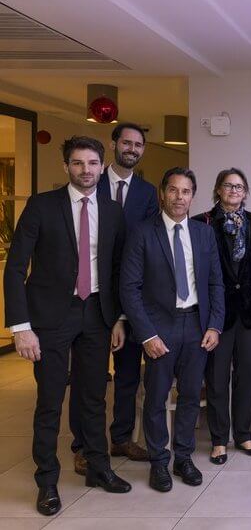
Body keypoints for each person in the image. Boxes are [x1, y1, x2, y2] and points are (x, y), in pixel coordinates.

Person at [4, 136, 130, 516]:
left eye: (92, 163)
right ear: (66, 167)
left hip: (96, 314)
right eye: (78, 163)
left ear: (101, 166)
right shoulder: (42, 206)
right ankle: (47, 481)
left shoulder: (112, 211)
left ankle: (98, 468)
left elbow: (116, 269)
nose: (86, 170)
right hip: (50, 318)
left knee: (93, 398)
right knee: (49, 401)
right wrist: (21, 327)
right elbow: (14, 268)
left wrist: (119, 318)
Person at [120, 167, 224, 493]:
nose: (180, 197)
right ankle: (158, 462)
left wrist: (214, 325)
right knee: (156, 398)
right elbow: (129, 288)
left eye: (186, 191)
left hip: (196, 325)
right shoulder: (142, 232)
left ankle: (183, 458)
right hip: (159, 329)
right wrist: (147, 334)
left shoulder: (204, 233)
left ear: (193, 195)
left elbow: (215, 283)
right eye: (174, 190)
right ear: (163, 193)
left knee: (191, 396)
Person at [69, 122, 159, 475]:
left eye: (138, 145)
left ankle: (120, 436)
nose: (132, 149)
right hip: (89, 297)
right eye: (127, 142)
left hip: (129, 296)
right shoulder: (91, 181)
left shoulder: (148, 193)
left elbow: (147, 246)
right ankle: (83, 445)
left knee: (126, 374)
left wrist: (127, 311)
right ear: (113, 145)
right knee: (86, 376)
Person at [193, 168, 251, 464]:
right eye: (228, 185)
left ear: (246, 192)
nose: (234, 191)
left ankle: (242, 434)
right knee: (216, 378)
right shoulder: (202, 222)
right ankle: (218, 439)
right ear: (218, 189)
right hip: (217, 314)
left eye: (239, 187)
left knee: (248, 375)